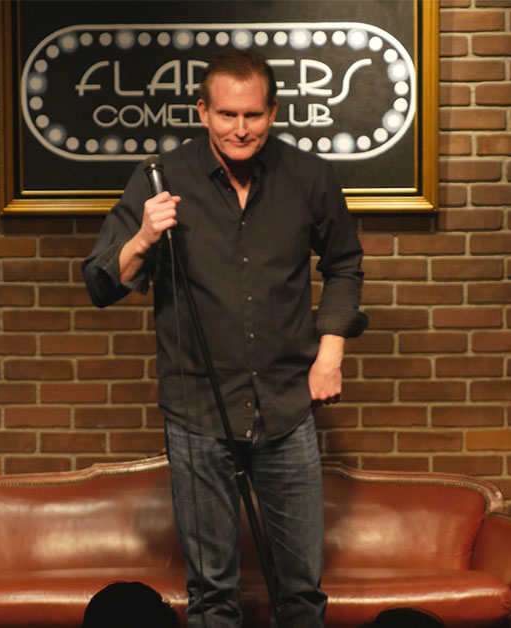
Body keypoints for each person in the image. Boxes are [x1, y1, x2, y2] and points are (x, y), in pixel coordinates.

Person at [82, 49, 366, 628]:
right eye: (227, 115)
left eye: (253, 115)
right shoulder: (161, 179)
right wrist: (142, 238)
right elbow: (100, 282)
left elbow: (344, 264)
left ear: (273, 112)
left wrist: (330, 352)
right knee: (212, 596)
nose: (241, 129)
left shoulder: (307, 176)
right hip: (198, 414)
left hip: (287, 406)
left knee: (300, 594)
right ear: (203, 112)